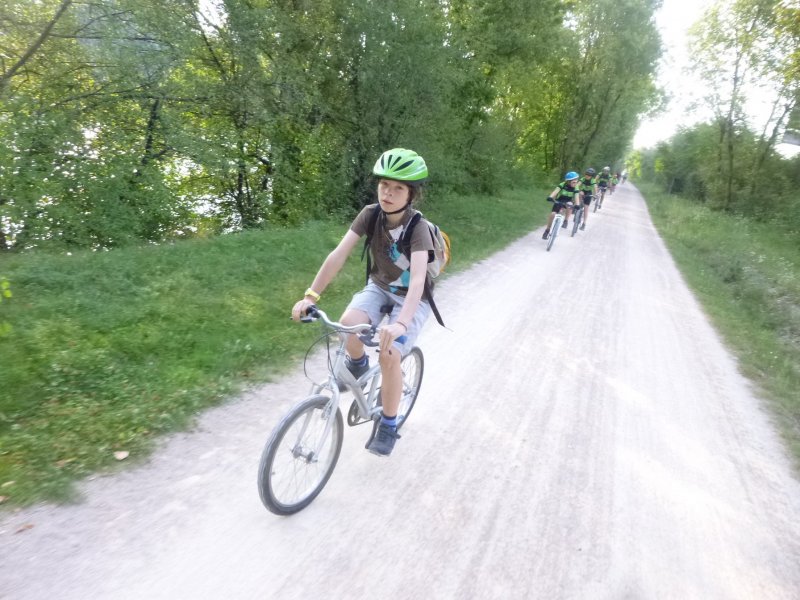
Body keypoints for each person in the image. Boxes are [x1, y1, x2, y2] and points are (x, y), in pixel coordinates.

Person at [291, 148, 433, 457]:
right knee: (346, 324)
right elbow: (338, 254)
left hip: (411, 300)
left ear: (412, 194)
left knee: (390, 353)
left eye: (398, 188)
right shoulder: (371, 214)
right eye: (384, 185)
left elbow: (418, 281)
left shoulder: (418, 229)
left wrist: (399, 324)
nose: (388, 193)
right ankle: (357, 364)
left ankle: (389, 424)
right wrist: (310, 296)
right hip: (380, 287)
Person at [542, 171, 580, 240]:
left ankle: (566, 220)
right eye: (573, 182)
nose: (575, 183)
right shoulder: (562, 184)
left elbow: (577, 196)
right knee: (553, 214)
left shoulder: (576, 187)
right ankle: (547, 230)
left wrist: (577, 204)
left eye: (576, 182)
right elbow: (556, 191)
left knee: (570, 205)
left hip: (568, 201)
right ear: (568, 181)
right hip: (559, 200)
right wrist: (550, 197)